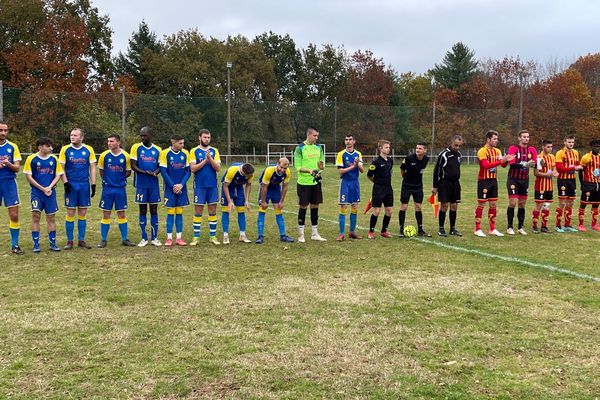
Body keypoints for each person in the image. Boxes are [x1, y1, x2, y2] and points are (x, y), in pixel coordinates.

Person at [23, 137, 63, 252]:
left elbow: (58, 175)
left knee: (51, 218)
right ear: (40, 147)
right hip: (37, 193)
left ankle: (53, 244)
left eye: (51, 145)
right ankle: (36, 244)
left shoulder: (54, 159)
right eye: (47, 146)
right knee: (36, 216)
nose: (50, 148)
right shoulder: (32, 159)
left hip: (50, 193)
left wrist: (49, 187)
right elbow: (28, 177)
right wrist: (42, 188)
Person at [59, 128, 96, 250]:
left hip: (84, 185)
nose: (72, 137)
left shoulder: (88, 149)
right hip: (71, 184)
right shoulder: (65, 149)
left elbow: (92, 168)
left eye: (75, 135)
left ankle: (81, 240)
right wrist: (65, 183)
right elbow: (61, 168)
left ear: (82, 137)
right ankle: (69, 241)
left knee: (83, 213)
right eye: (71, 135)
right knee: (70, 212)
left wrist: (93, 184)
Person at [97, 134, 136, 248]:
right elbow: (101, 171)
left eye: (112, 141)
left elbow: (128, 172)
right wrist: (108, 181)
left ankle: (125, 239)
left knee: (121, 213)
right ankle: (103, 240)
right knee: (106, 213)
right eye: (108, 141)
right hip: (107, 189)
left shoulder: (126, 156)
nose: (109, 143)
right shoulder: (104, 155)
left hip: (120, 189)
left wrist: (119, 180)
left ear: (118, 142)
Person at [474, 130, 515, 237]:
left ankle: (492, 229)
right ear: (488, 139)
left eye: (497, 139)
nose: (496, 141)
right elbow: (486, 165)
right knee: (481, 204)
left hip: (493, 181)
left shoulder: (497, 151)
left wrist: (506, 160)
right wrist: (501, 161)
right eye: (494, 139)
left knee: (493, 204)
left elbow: (503, 166)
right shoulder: (482, 151)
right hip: (483, 181)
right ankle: (477, 228)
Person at [130, 127, 162, 246]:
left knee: (154, 210)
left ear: (150, 135)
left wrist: (155, 173)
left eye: (145, 135)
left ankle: (154, 237)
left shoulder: (158, 149)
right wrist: (144, 172)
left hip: (153, 185)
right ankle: (144, 237)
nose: (143, 138)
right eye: (141, 135)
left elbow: (160, 166)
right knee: (142, 210)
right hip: (141, 184)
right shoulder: (136, 147)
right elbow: (133, 165)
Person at [294, 126, 326, 242]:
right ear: (308, 135)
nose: (317, 138)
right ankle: (301, 235)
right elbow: (297, 167)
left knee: (315, 206)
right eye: (315, 135)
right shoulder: (300, 148)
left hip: (316, 182)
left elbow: (321, 164)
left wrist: (321, 167)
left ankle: (314, 233)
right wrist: (309, 171)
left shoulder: (318, 148)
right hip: (303, 183)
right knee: (303, 207)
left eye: (317, 136)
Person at [189, 129, 221, 245]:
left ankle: (213, 236)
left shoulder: (214, 151)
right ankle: (196, 237)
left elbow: (218, 168)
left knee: (212, 210)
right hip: (200, 186)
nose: (207, 139)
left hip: (212, 186)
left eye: (208, 137)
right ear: (199, 138)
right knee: (198, 211)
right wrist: (204, 161)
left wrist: (210, 159)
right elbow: (193, 169)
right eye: (205, 137)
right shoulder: (194, 151)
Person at [159, 135, 191, 246]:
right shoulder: (164, 153)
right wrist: (173, 185)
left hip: (182, 188)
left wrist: (181, 185)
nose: (183, 145)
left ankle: (179, 237)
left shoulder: (186, 153)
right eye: (180, 143)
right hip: (169, 188)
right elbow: (163, 171)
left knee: (180, 212)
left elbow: (188, 171)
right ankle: (169, 238)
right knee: (171, 212)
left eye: (183, 143)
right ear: (174, 143)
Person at [506, 130, 537, 235]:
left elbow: (535, 162)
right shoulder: (513, 148)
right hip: (513, 179)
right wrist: (525, 165)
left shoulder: (531, 149)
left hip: (525, 180)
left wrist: (539, 163)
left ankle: (520, 227)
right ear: (519, 138)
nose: (526, 138)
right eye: (524, 137)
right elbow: (512, 164)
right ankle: (509, 227)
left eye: (528, 137)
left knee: (522, 204)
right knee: (513, 202)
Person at [255, 157, 294, 244]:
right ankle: (260, 236)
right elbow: (264, 187)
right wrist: (264, 201)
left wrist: (281, 201)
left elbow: (285, 187)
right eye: (281, 167)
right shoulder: (269, 170)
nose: (283, 170)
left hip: (276, 188)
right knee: (262, 209)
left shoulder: (287, 172)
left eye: (285, 168)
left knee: (278, 210)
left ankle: (283, 236)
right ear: (277, 164)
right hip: (265, 188)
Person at [432, 135, 463, 237]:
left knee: (454, 206)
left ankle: (452, 229)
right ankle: (441, 228)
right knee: (444, 205)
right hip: (444, 183)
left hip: (455, 183)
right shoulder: (444, 154)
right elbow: (436, 171)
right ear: (451, 142)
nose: (457, 148)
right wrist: (435, 186)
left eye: (459, 146)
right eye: (456, 145)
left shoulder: (459, 155)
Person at [335, 134, 364, 241]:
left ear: (354, 141)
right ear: (345, 141)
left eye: (350, 139)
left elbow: (361, 170)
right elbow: (340, 171)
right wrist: (353, 166)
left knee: (355, 206)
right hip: (345, 183)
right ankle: (341, 233)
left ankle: (352, 232)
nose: (348, 141)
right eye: (346, 140)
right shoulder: (341, 154)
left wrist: (358, 164)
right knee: (343, 207)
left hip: (355, 183)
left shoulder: (358, 154)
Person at [0, 121, 23, 254]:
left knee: (14, 215)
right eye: (1, 130)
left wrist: (8, 163)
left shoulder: (13, 147)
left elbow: (17, 168)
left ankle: (15, 245)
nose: (3, 133)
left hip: (9, 184)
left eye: (5, 130)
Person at [399, 142, 430, 237]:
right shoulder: (409, 158)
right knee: (404, 207)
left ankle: (420, 230)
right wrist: (406, 179)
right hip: (407, 186)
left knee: (418, 207)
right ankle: (401, 229)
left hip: (418, 186)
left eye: (420, 148)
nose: (417, 150)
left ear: (425, 150)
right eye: (417, 148)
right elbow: (402, 170)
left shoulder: (426, 159)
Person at [554, 135, 583, 232]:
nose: (571, 144)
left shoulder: (575, 152)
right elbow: (559, 168)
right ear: (564, 142)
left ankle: (567, 225)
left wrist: (577, 168)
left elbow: (578, 164)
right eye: (569, 142)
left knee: (570, 202)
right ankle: (558, 225)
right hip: (563, 180)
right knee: (562, 203)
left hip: (572, 180)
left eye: (572, 142)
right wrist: (573, 168)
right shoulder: (560, 153)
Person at [221, 163, 254, 244]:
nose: (250, 176)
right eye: (248, 175)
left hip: (239, 188)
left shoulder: (250, 173)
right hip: (228, 187)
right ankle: (225, 235)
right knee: (226, 210)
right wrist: (229, 201)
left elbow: (248, 185)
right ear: (243, 172)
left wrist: (246, 200)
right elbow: (225, 186)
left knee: (241, 210)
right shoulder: (232, 170)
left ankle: (242, 235)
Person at [367, 140, 394, 239]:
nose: (388, 149)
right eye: (386, 147)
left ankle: (384, 231)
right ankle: (371, 231)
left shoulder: (390, 160)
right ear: (380, 149)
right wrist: (377, 182)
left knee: (389, 211)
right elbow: (369, 175)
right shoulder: (376, 162)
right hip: (378, 189)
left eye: (389, 147)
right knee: (377, 211)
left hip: (388, 188)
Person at [532, 139, 559, 233]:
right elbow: (536, 173)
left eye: (551, 147)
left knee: (546, 206)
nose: (550, 149)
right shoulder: (539, 158)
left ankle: (544, 226)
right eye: (548, 147)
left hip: (549, 186)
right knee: (538, 205)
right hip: (540, 186)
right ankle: (534, 226)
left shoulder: (552, 157)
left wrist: (555, 173)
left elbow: (554, 168)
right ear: (543, 147)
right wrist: (548, 175)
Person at [576, 139, 600, 231]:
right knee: (584, 204)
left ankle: (594, 224)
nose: (597, 148)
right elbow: (581, 171)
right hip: (588, 184)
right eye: (595, 147)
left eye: (598, 147)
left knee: (596, 204)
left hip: (597, 184)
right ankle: (581, 224)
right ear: (591, 147)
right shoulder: (586, 157)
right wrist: (582, 184)